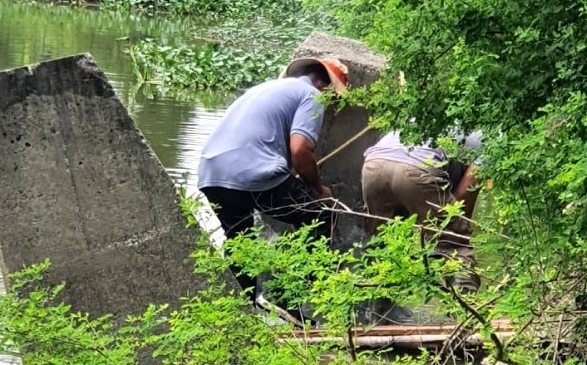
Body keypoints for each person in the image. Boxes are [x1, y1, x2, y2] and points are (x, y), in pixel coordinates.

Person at [197, 57, 349, 303]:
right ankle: (293, 301)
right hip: (252, 172)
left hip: (211, 173)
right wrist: (317, 189)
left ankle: (241, 309)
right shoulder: (312, 95)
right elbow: (301, 150)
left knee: (240, 242)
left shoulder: (266, 88)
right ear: (325, 88)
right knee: (320, 212)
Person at [361, 130, 483, 293]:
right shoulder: (492, 142)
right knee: (454, 243)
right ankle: (464, 308)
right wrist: (455, 231)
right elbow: (463, 198)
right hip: (416, 169)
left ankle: (374, 310)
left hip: (373, 166)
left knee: (384, 241)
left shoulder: (434, 117)